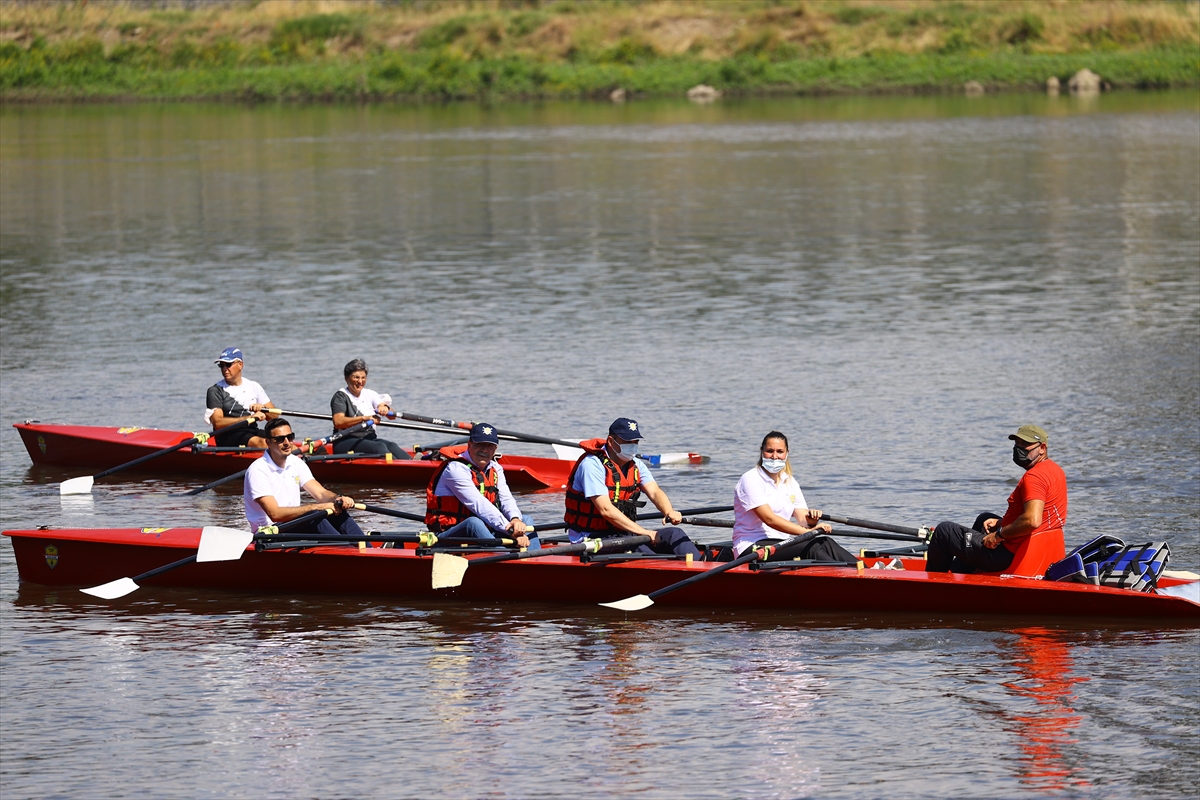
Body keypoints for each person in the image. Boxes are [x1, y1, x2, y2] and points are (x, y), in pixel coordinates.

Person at [926, 424, 1068, 574]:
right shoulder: (1055, 470)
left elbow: (1032, 520)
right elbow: (1042, 516)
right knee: (985, 519)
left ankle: (933, 587)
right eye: (1017, 443)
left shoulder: (1034, 477)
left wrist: (998, 535)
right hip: (1033, 547)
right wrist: (1000, 523)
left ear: (1042, 448)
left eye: (1025, 444)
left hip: (1006, 556)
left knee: (944, 531)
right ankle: (959, 573)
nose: (1018, 448)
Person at [563, 417, 703, 560]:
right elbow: (606, 510)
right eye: (627, 442)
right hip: (591, 538)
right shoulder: (591, 465)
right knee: (642, 549)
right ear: (611, 441)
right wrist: (644, 532)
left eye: (635, 442)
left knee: (675, 534)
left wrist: (669, 511)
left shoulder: (635, 464)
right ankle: (673, 572)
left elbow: (654, 491)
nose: (633, 446)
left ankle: (703, 567)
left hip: (623, 533)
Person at [732, 431, 859, 564]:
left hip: (780, 543)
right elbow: (769, 519)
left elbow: (803, 519)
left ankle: (867, 570)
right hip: (750, 547)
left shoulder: (789, 481)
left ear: (787, 453)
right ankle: (851, 577)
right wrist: (808, 533)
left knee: (825, 542)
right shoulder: (751, 479)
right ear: (762, 451)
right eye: (770, 451)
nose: (775, 456)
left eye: (780, 452)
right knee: (813, 547)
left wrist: (811, 521)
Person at [425, 423, 540, 550]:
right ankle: (502, 559)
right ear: (470, 445)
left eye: (489, 446)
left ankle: (535, 561)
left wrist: (516, 520)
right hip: (447, 536)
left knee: (526, 520)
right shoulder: (455, 469)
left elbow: (506, 499)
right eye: (480, 445)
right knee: (473, 523)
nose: (484, 450)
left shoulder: (496, 468)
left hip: (485, 531)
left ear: (495, 449)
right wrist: (510, 530)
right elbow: (479, 504)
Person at [244, 416, 365, 537]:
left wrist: (338, 499)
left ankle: (365, 546)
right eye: (280, 439)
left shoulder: (295, 462)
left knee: (337, 512)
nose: (287, 443)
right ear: (268, 442)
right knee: (313, 516)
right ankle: (346, 550)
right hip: (269, 531)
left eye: (290, 437)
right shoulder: (258, 470)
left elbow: (320, 494)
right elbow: (275, 514)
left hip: (293, 524)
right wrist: (316, 507)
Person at [329, 358, 410, 460]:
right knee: (379, 447)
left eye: (363, 378)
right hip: (345, 441)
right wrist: (364, 418)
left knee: (392, 445)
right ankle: (399, 470)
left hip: (368, 439)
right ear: (346, 378)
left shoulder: (370, 394)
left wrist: (385, 408)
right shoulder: (340, 396)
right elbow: (338, 422)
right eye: (356, 377)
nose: (360, 381)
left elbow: (392, 417)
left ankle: (416, 465)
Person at [205, 347, 275, 449]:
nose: (224, 369)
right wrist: (249, 418)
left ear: (240, 365)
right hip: (227, 435)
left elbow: (274, 417)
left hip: (251, 431)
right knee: (264, 444)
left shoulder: (253, 386)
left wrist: (263, 409)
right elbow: (218, 423)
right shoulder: (215, 391)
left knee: (281, 440)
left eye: (228, 365)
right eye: (221, 365)